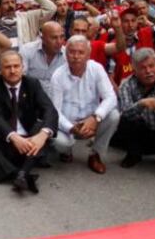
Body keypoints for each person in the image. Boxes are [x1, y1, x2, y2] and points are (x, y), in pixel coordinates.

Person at [0, 50, 58, 193]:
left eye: (16, 66)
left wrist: (43, 135)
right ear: (0, 70)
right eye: (7, 67)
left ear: (23, 68)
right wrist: (13, 137)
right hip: (5, 141)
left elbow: (50, 110)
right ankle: (22, 174)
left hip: (29, 141)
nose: (12, 70)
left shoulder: (32, 83)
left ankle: (20, 174)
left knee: (42, 127)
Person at [49, 36, 120, 173]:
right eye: (72, 52)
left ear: (88, 54)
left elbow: (111, 97)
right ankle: (67, 151)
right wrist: (71, 128)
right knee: (60, 143)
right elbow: (55, 111)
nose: (76, 56)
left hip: (91, 120)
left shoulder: (97, 69)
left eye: (81, 52)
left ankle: (95, 154)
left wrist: (96, 117)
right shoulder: (58, 75)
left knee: (114, 115)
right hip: (68, 124)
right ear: (66, 53)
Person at [19, 21, 66, 98]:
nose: (59, 41)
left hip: (57, 100)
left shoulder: (67, 55)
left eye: (62, 37)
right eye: (54, 38)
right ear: (42, 38)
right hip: (31, 98)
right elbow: (20, 77)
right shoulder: (27, 50)